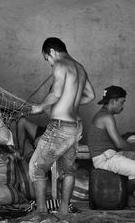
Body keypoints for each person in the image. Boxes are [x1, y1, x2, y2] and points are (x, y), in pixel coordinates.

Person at [28, 37, 95, 215]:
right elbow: (90, 96)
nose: (50, 64)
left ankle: (41, 213)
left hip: (60, 126)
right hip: (75, 127)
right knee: (69, 170)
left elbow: (56, 93)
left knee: (36, 167)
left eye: (47, 59)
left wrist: (40, 107)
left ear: (51, 52)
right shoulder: (79, 67)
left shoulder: (60, 63)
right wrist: (70, 98)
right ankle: (64, 212)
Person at [87, 85, 135, 209]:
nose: (123, 106)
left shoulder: (103, 115)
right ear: (113, 101)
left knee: (134, 158)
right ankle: (126, 196)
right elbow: (119, 144)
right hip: (104, 159)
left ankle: (126, 195)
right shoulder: (107, 117)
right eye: (121, 102)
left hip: (108, 155)